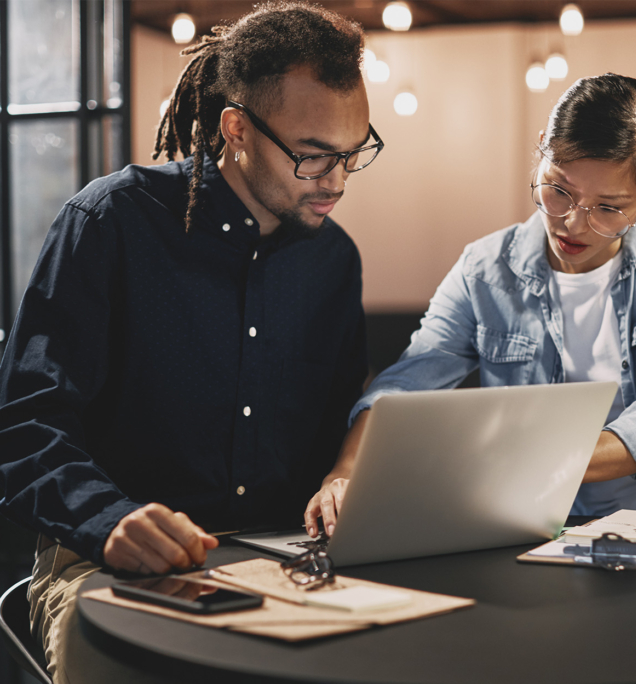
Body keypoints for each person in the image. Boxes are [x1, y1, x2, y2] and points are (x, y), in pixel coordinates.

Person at [0, 2, 379, 681]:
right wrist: (107, 517)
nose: (339, 180)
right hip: (101, 559)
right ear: (237, 128)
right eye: (314, 156)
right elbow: (22, 427)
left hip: (282, 561)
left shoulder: (334, 261)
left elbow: (337, 431)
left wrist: (345, 481)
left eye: (354, 153)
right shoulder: (109, 224)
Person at [305, 73, 636, 536]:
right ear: (540, 151)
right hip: (582, 536)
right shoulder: (486, 269)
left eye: (609, 208)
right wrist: (344, 473)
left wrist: (508, 460)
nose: (574, 224)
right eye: (558, 190)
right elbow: (404, 385)